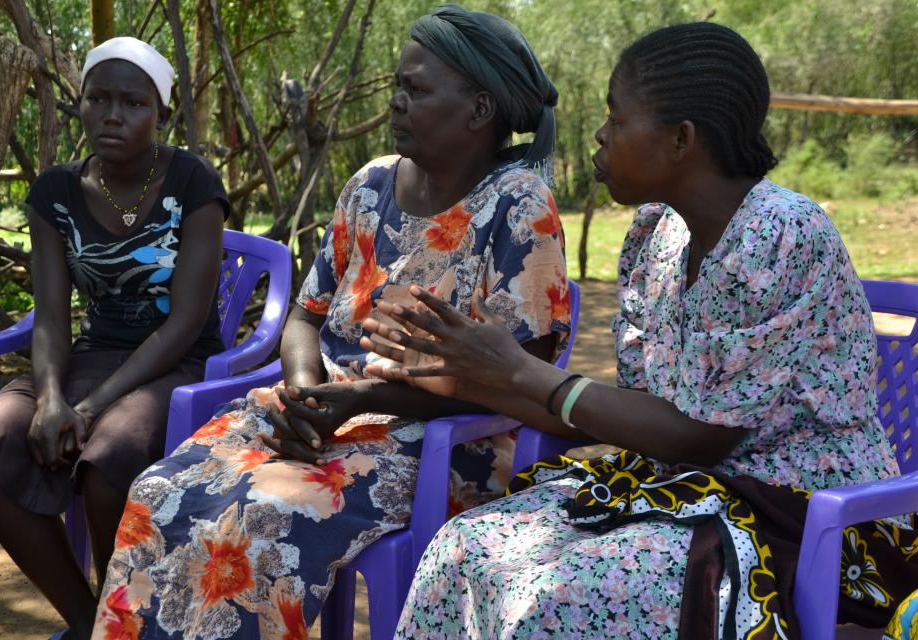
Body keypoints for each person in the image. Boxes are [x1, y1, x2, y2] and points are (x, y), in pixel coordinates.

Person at [362, 22, 918, 638]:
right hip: (687, 491)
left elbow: (701, 438)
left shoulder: (780, 234)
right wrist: (465, 370)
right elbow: (630, 410)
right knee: (463, 546)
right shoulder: (657, 233)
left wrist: (520, 370)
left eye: (616, 118)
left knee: (557, 590)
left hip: (803, 511)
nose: (599, 136)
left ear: (681, 139)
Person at [91, 6, 569, 639]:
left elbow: (516, 379)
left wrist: (351, 401)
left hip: (439, 441)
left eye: (416, 89)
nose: (397, 101)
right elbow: (304, 316)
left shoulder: (517, 206)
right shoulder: (369, 186)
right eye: (399, 85)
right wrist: (302, 388)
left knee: (263, 520)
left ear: (479, 110)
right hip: (322, 411)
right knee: (157, 490)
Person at [0, 37, 229, 639]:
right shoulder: (55, 192)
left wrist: (89, 406)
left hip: (178, 364)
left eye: (132, 102)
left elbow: (185, 321)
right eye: (98, 99)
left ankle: (124, 613)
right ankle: (91, 624)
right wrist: (52, 397)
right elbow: (51, 315)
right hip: (89, 358)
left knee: (108, 459)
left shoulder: (192, 181)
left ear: (161, 112)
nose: (113, 114)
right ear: (79, 104)